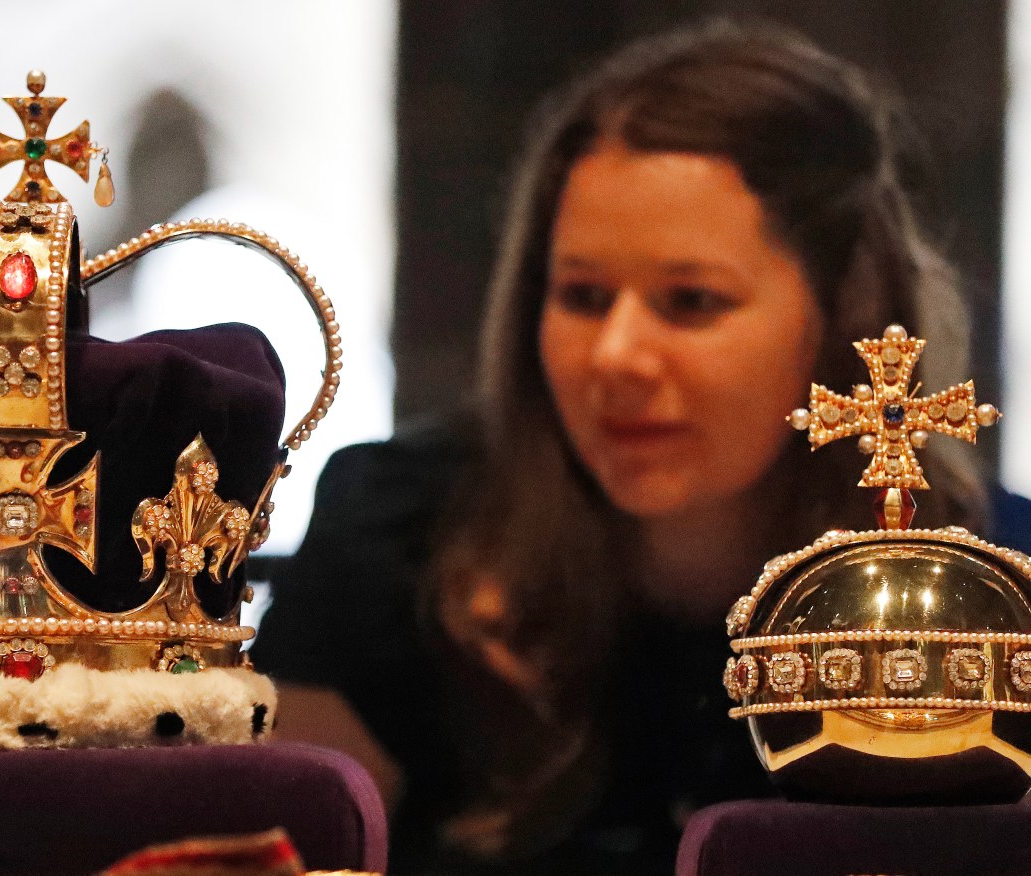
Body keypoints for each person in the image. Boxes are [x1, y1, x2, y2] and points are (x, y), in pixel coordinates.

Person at [251, 20, 1028, 875]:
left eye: (690, 300)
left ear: (836, 318)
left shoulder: (987, 588)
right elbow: (287, 849)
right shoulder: (395, 531)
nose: (615, 354)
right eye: (582, 295)